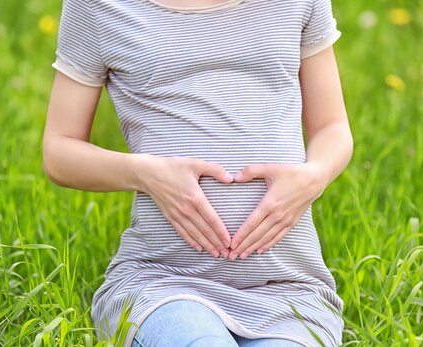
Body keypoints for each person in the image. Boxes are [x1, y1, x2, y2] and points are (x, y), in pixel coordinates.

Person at [42, 0, 353, 346]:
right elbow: (59, 150)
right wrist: (147, 173)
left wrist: (314, 176)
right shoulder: (99, 6)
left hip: (288, 290)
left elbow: (332, 127)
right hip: (162, 286)